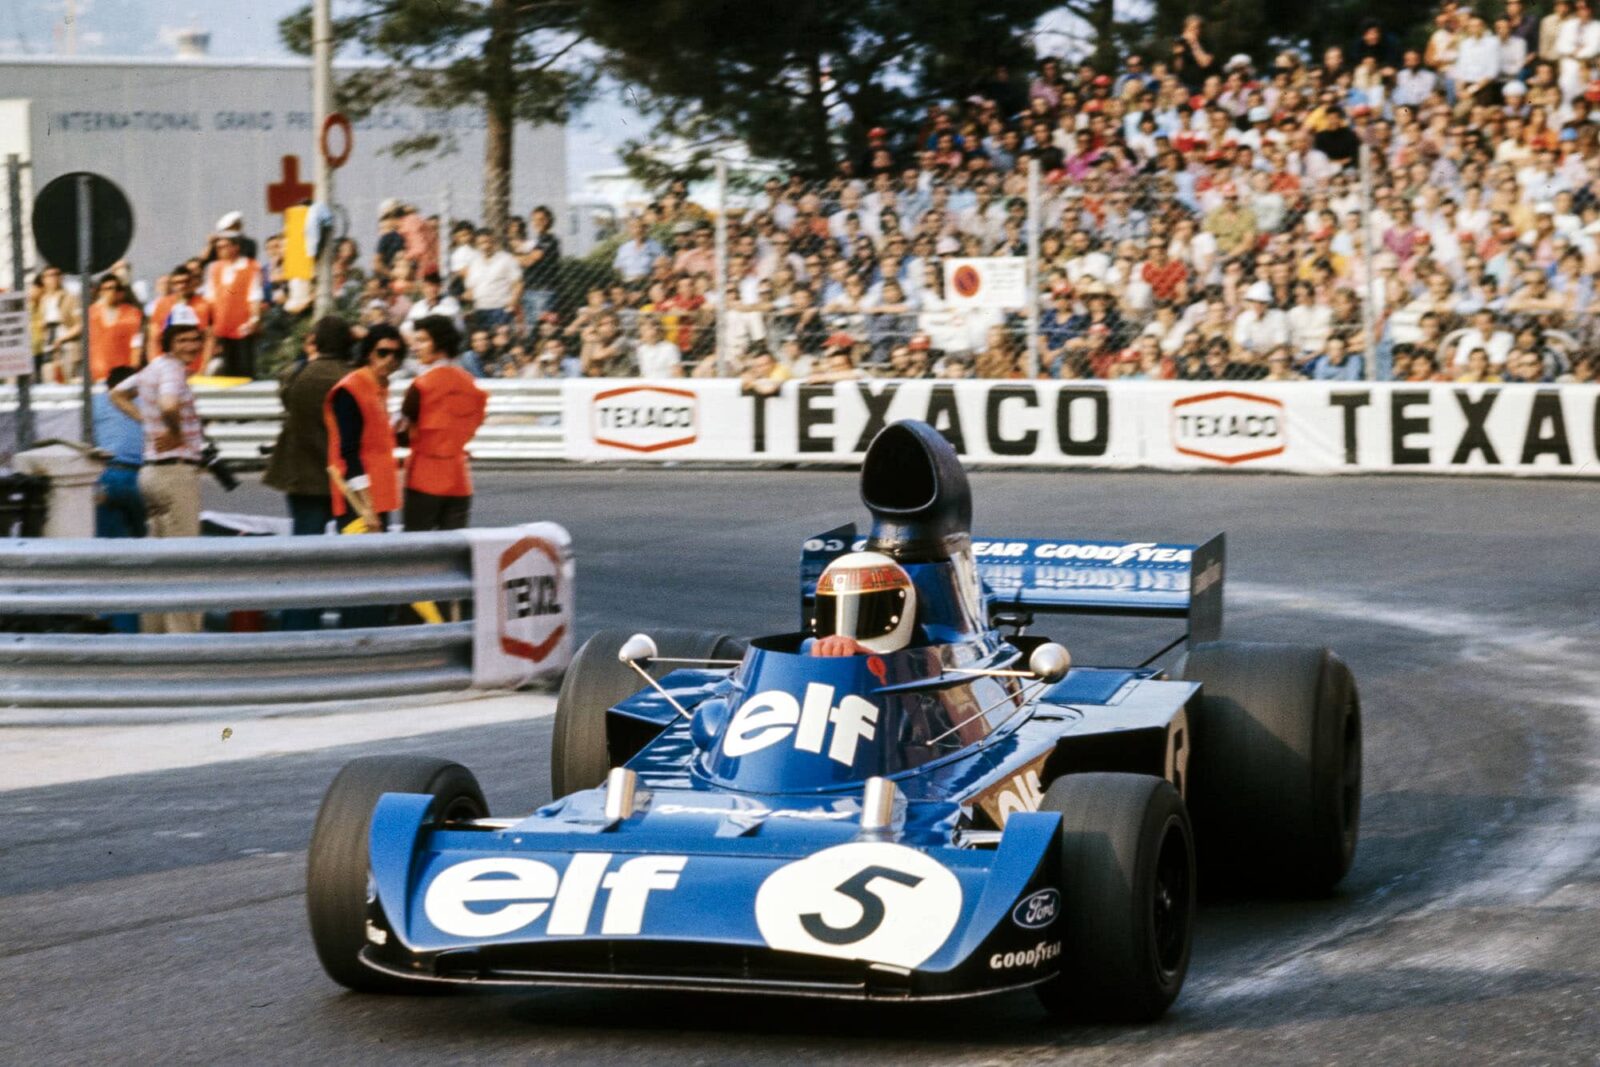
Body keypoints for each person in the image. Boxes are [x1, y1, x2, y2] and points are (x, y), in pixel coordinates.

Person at [111, 306, 205, 634]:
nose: (191, 346)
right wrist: (175, 432)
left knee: (159, 565)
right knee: (185, 564)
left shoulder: (154, 368)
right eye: (183, 339)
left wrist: (146, 423)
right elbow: (168, 405)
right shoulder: (173, 371)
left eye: (195, 339)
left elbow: (117, 393)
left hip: (149, 474)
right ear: (169, 341)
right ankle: (185, 646)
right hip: (175, 474)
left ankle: (152, 638)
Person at [262, 316, 357, 628]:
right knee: (353, 560)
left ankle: (298, 625)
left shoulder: (297, 373)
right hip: (343, 480)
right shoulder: (353, 377)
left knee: (304, 560)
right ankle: (351, 623)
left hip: (302, 476)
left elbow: (285, 400)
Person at [397, 315, 488, 532]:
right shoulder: (471, 384)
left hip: (424, 478)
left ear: (439, 343)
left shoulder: (421, 385)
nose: (415, 347)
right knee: (452, 552)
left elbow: (401, 433)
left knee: (417, 549)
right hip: (459, 480)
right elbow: (476, 421)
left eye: (422, 341)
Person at [325, 326, 404, 532]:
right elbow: (349, 452)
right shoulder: (351, 389)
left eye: (396, 354)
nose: (389, 359)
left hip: (379, 494)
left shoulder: (379, 387)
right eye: (383, 352)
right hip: (359, 500)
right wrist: (367, 507)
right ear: (369, 352)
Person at [806, 551, 918, 657]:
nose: (843, 642)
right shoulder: (806, 649)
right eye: (830, 612)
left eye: (867, 614)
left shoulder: (926, 659)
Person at [203, 232, 264, 377]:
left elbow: (254, 295)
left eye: (224, 246)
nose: (220, 250)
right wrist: (209, 323)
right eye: (218, 247)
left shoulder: (251, 266)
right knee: (224, 370)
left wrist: (254, 319)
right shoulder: (214, 268)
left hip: (243, 328)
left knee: (244, 369)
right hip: (220, 327)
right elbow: (210, 297)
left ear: (236, 247)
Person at [147, 263, 215, 373]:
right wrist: (154, 365)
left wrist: (204, 367)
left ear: (193, 282)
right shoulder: (162, 304)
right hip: (166, 367)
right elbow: (153, 339)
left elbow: (209, 339)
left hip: (194, 367)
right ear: (172, 285)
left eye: (185, 281)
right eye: (177, 282)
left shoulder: (204, 305)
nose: (182, 285)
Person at [86, 275, 143, 383]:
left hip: (124, 374)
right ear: (101, 292)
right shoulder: (91, 313)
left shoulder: (132, 314)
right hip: (98, 375)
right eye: (108, 288)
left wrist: (133, 368)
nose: (112, 292)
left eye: (116, 288)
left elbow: (137, 344)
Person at [519, 206, 562, 324]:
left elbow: (529, 260)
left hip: (543, 291)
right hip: (529, 290)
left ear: (549, 220)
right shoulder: (536, 241)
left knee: (542, 329)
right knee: (530, 330)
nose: (537, 223)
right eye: (535, 220)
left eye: (541, 219)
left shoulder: (549, 239)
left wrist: (510, 257)